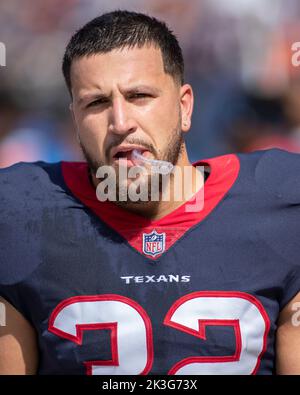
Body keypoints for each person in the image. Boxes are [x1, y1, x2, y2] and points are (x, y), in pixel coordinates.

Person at [0, 10, 300, 375]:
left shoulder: (281, 202)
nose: (121, 122)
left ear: (184, 106)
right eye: (96, 103)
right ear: (75, 120)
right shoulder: (21, 213)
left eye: (139, 95)